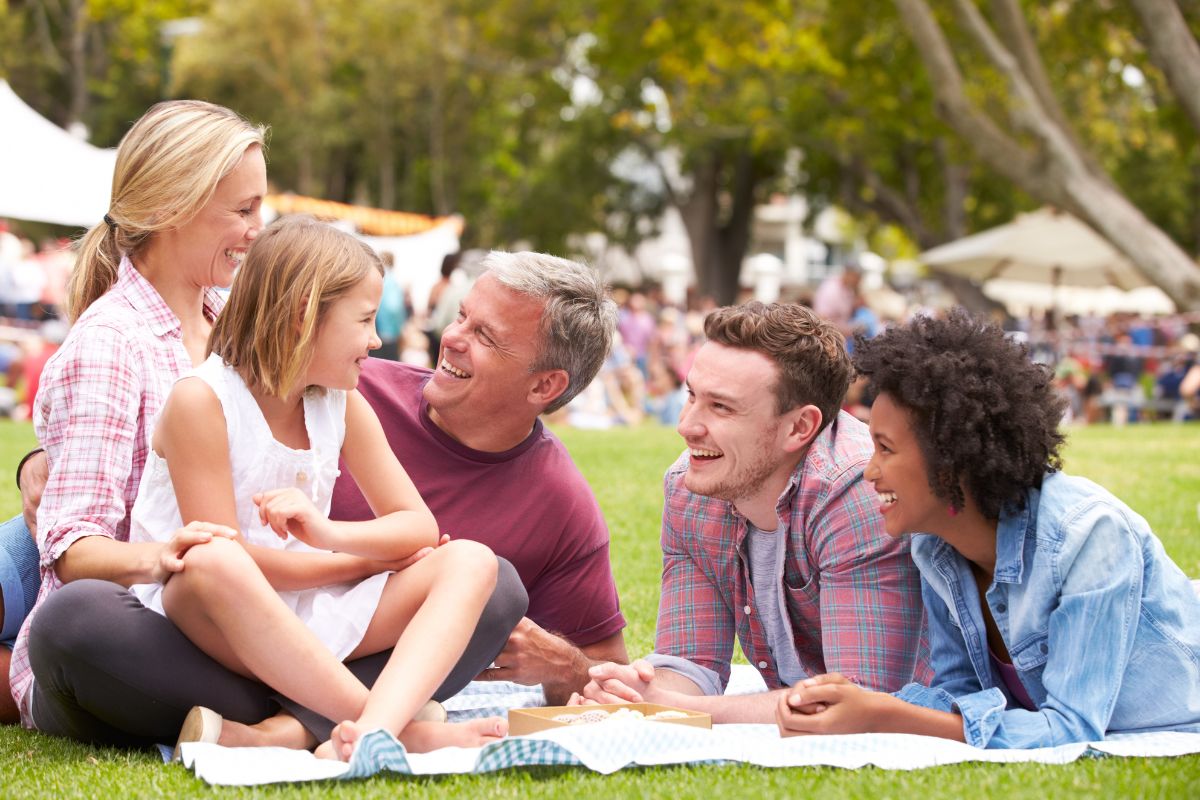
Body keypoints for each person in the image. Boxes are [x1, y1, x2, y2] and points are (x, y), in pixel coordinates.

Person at [4, 100, 525, 746]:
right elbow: (74, 551)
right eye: (243, 210)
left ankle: (294, 726)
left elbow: (351, 392)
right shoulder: (112, 342)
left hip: (276, 615)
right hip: (163, 624)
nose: (258, 230)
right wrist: (163, 556)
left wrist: (366, 548)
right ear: (174, 204)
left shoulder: (244, 320)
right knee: (78, 622)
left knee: (494, 585)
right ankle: (380, 721)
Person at [128, 215, 506, 758]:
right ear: (305, 316)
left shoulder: (339, 401)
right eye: (365, 320)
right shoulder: (203, 401)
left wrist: (330, 532)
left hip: (308, 608)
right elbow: (234, 561)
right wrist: (364, 562)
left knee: (472, 560)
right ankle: (398, 730)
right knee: (213, 558)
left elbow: (419, 525)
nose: (377, 340)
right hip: (213, 616)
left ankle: (361, 731)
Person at [776, 311, 1200, 748]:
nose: (869, 472)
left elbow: (1072, 728)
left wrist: (885, 715)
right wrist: (846, 703)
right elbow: (959, 695)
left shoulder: (1088, 536)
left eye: (884, 448)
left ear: (951, 460)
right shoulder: (933, 548)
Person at [576, 302, 928, 722]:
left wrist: (682, 708)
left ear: (799, 427)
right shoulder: (691, 487)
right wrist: (636, 693)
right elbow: (691, 661)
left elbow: (860, 699)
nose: (686, 425)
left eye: (721, 407)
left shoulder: (856, 489)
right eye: (691, 396)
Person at [331, 250, 629, 704]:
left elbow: (609, 674)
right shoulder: (348, 389)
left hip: (366, 677)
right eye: (462, 316)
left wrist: (562, 663)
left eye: (485, 336)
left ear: (544, 386)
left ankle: (295, 726)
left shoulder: (559, 502)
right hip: (250, 633)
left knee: (491, 587)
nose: (450, 337)